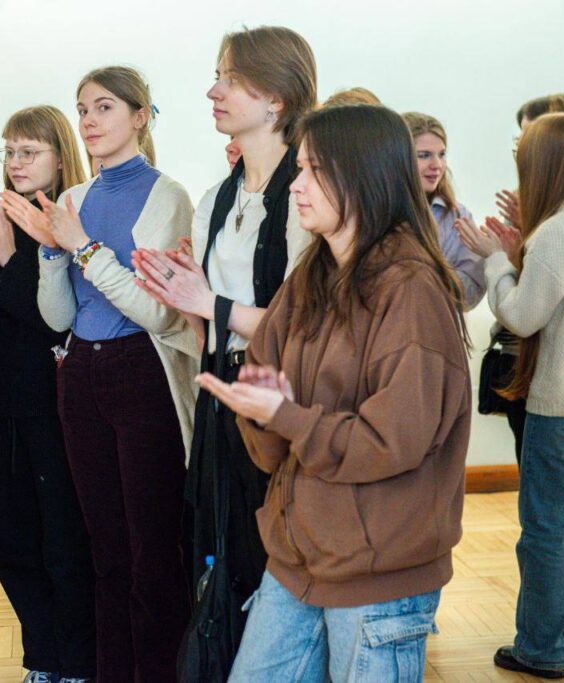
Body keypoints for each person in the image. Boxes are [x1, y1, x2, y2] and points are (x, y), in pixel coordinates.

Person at [197, 104, 470, 681]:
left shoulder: (412, 290)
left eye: (313, 171)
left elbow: (392, 441)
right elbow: (271, 428)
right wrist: (262, 409)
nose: (296, 185)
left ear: (362, 176)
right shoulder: (312, 275)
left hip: (379, 573)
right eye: (298, 169)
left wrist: (286, 415)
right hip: (298, 557)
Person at [132, 26, 317, 665]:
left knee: (272, 564)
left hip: (279, 399)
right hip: (222, 397)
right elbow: (209, 328)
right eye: (217, 77)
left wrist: (207, 301)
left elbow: (307, 328)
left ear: (277, 99)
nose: (213, 91)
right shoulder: (217, 199)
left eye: (230, 80)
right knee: (218, 557)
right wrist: (184, 298)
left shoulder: (306, 195)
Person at [6, 65, 197, 681]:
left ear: (140, 116)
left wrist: (83, 247)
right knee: (105, 552)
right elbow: (58, 316)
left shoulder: (169, 196)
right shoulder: (72, 199)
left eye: (105, 107)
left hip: (143, 372)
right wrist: (50, 250)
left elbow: (159, 314)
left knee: (152, 552)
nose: (89, 120)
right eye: (83, 108)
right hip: (81, 373)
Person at [454, 113, 564, 679]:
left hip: (561, 405)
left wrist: (496, 259)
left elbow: (521, 315)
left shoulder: (558, 231)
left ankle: (539, 650)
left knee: (545, 531)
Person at [0, 104, 95, 683]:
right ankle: (42, 659)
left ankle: (77, 663)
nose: (15, 162)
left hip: (55, 407)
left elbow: (54, 322)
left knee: (63, 544)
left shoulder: (70, 219)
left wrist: (13, 262)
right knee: (12, 547)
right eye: (9, 151)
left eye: (29, 151)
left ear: (60, 157)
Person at [403, 112, 486, 309]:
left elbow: (470, 294)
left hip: (436, 323)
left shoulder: (457, 215)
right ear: (399, 158)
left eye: (441, 154)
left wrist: (424, 276)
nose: (437, 165)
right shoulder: (376, 212)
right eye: (424, 155)